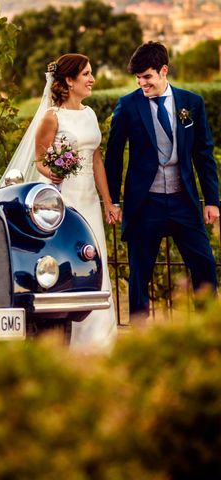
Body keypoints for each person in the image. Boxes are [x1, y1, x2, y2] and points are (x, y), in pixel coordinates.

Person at [0, 53, 118, 352]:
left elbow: (97, 159)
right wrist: (57, 172)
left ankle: (100, 338)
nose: (92, 79)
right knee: (67, 259)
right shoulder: (52, 116)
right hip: (62, 199)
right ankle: (69, 337)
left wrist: (107, 200)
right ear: (69, 80)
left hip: (88, 196)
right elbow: (39, 160)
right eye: (86, 74)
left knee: (95, 258)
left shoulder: (90, 114)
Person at [105, 41, 220, 325]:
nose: (142, 83)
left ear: (163, 70)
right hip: (146, 204)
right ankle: (140, 335)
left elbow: (203, 153)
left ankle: (209, 329)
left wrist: (213, 200)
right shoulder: (128, 105)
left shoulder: (192, 103)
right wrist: (114, 202)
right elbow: (114, 155)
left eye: (147, 76)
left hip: (184, 201)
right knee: (139, 274)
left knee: (204, 263)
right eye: (138, 78)